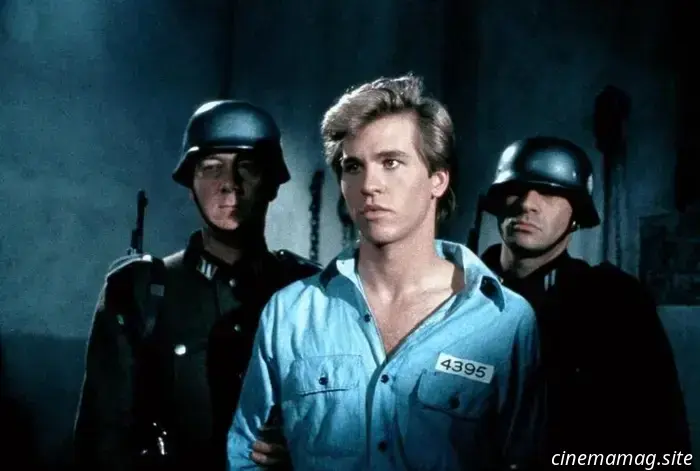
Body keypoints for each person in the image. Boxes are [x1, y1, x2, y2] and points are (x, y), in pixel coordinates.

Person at [227, 74, 544, 470]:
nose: (369, 185)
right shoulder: (291, 313)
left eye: (391, 162)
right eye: (353, 167)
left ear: (437, 180)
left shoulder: (504, 321)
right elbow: (246, 457)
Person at [73, 100, 321, 470]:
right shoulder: (140, 290)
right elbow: (101, 443)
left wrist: (303, 448)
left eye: (248, 168)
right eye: (211, 168)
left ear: (272, 184)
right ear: (190, 184)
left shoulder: (307, 290)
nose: (229, 184)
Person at [480, 136, 693, 469]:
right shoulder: (453, 292)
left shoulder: (615, 304)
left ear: (576, 215)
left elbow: (663, 435)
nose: (527, 204)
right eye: (516, 189)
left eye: (549, 193)